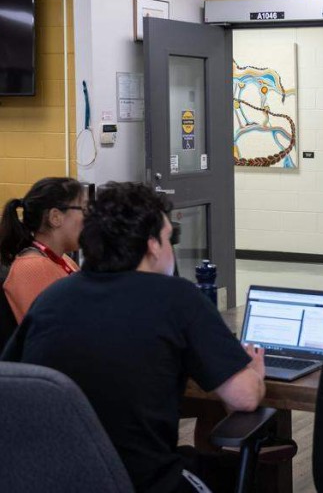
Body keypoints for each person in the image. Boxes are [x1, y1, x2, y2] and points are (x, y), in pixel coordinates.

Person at [2, 182, 265, 493]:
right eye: (169, 239)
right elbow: (244, 398)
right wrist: (255, 372)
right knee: (248, 476)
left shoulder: (52, 297)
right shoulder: (177, 297)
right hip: (142, 480)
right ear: (153, 245)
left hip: (47, 479)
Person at [0, 177, 84, 323]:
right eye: (85, 210)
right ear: (55, 217)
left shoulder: (63, 259)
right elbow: (58, 329)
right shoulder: (33, 267)